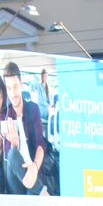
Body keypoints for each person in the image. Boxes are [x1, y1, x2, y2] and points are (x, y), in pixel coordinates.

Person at [1, 62, 47, 195]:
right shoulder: (5, 115)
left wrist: (34, 167)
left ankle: (36, 189)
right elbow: (10, 158)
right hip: (15, 180)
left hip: (32, 171)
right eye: (9, 88)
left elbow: (40, 144)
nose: (13, 93)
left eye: (15, 87)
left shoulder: (33, 109)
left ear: (21, 85)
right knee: (13, 153)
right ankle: (43, 193)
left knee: (31, 183)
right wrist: (15, 143)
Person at [38, 68, 60, 196]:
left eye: (47, 76)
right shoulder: (39, 87)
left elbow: (50, 101)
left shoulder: (49, 88)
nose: (46, 78)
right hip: (42, 109)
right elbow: (41, 103)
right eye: (45, 76)